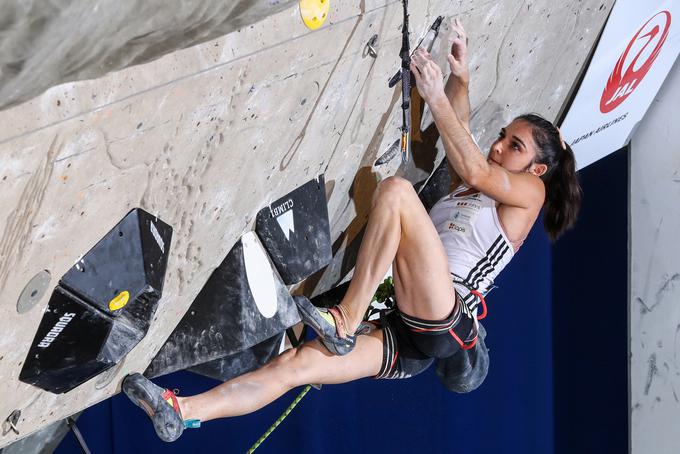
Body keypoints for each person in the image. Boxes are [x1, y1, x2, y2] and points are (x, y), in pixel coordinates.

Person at [122, 19, 581, 442]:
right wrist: (460, 77)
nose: (499, 145)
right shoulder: (472, 182)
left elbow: (478, 169)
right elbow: (460, 135)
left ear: (537, 169)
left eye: (514, 145)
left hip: (447, 316)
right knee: (295, 366)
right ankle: (182, 410)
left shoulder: (528, 197)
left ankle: (345, 317)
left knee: (397, 194)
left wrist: (436, 94)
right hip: (409, 334)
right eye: (502, 135)